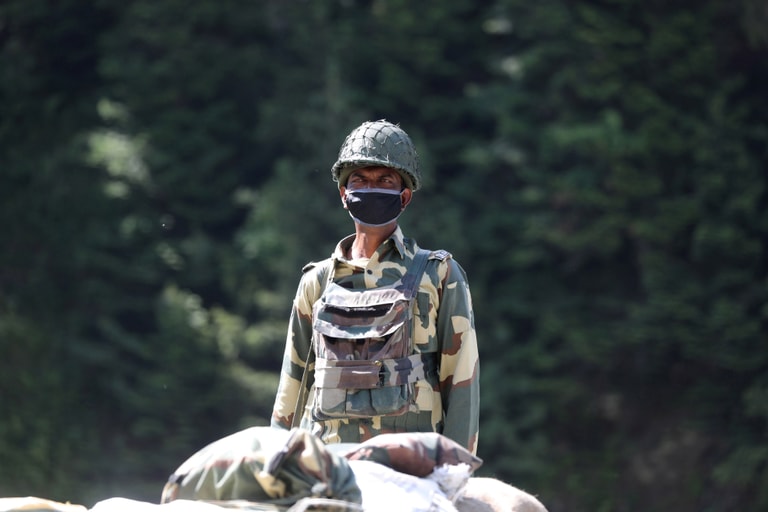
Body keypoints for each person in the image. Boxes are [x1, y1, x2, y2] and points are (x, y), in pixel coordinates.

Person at [271, 120, 480, 454]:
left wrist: (455, 467)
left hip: (410, 462)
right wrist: (277, 463)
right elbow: (293, 384)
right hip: (329, 462)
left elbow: (462, 381)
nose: (371, 188)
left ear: (404, 196)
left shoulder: (439, 275)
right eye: (360, 180)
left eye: (385, 180)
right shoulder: (317, 281)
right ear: (344, 194)